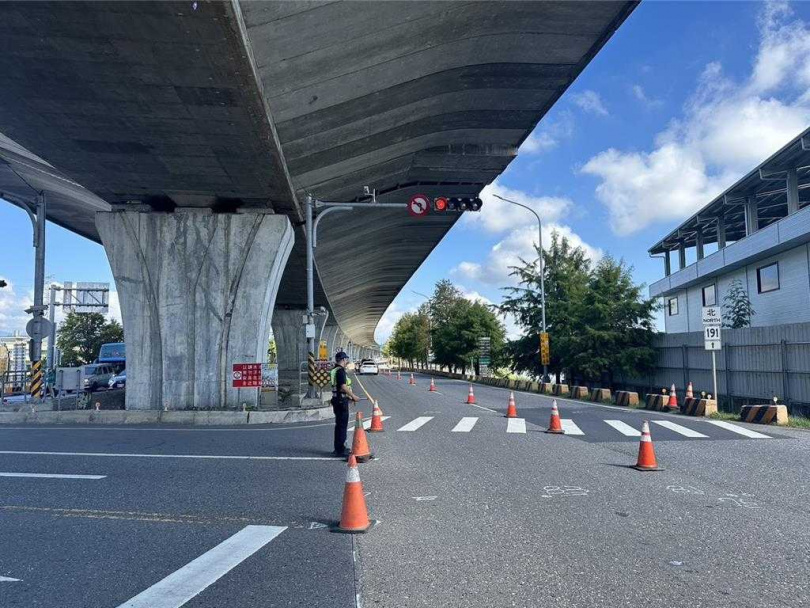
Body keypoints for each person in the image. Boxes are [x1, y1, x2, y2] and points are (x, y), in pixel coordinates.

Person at [330, 351, 360, 457]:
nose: (347, 361)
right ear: (343, 360)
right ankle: (341, 450)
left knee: (339, 425)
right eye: (346, 359)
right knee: (342, 426)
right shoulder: (341, 371)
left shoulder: (334, 370)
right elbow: (343, 386)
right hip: (341, 401)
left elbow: (339, 388)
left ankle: (338, 448)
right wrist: (353, 396)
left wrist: (349, 397)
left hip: (337, 399)